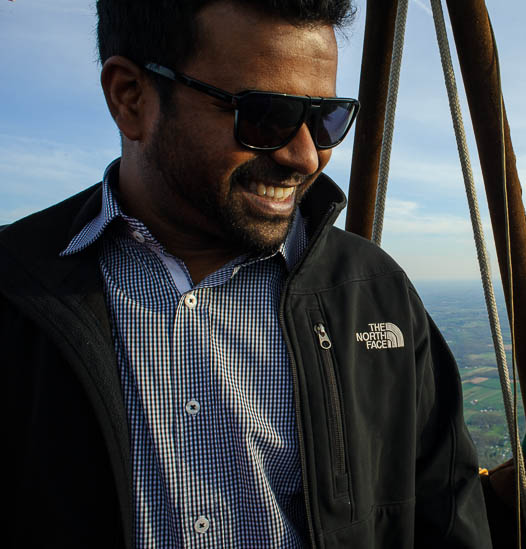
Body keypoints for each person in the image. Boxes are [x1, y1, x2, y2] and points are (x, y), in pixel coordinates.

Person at [0, 1, 492, 547]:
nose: (308, 157)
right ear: (131, 97)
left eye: (326, 118)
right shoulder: (15, 288)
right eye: (265, 115)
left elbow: (445, 513)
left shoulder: (373, 291)